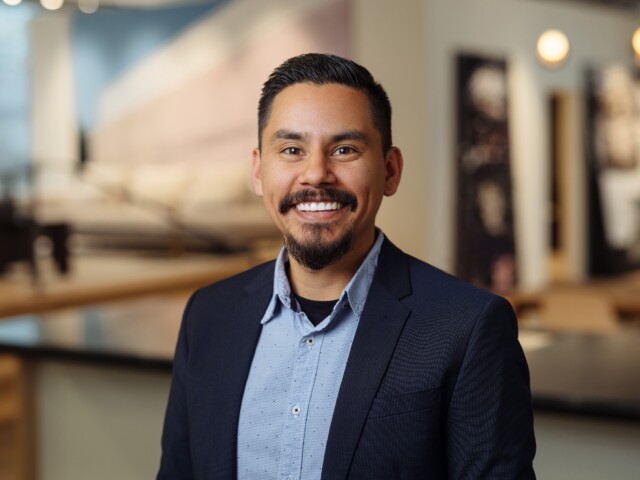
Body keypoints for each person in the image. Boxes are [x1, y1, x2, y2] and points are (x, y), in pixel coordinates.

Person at [157, 53, 536, 480]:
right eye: (292, 149)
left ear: (390, 171)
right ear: (259, 170)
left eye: (344, 149)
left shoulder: (468, 328)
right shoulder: (207, 316)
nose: (316, 174)